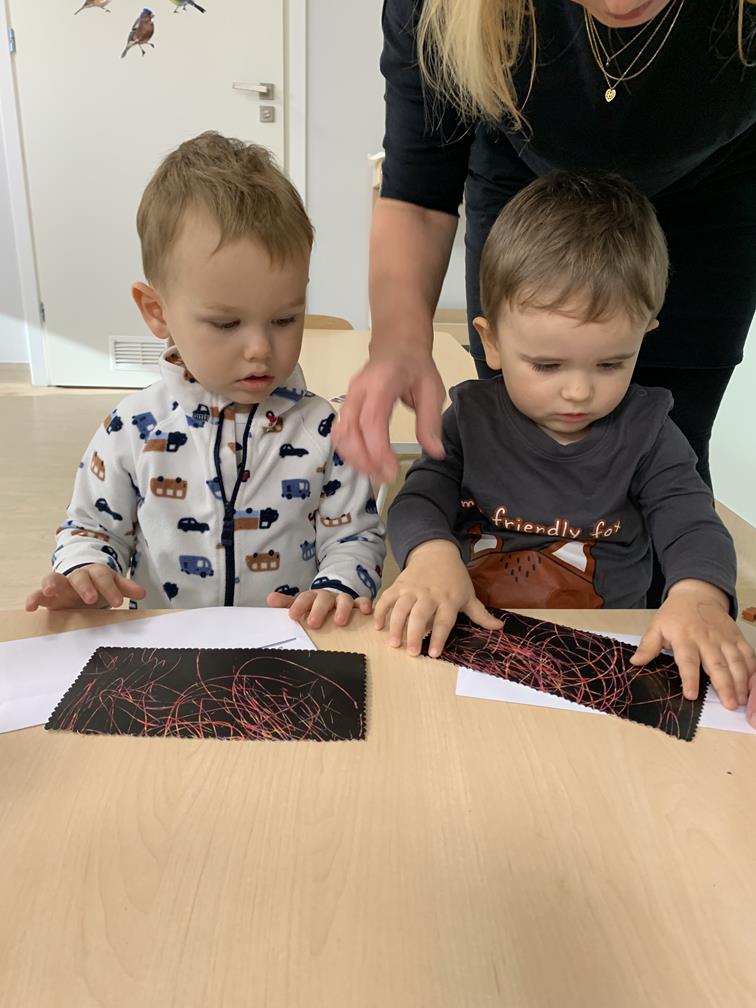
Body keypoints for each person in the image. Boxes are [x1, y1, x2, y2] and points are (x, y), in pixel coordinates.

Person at [376, 172, 756, 725]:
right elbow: (418, 497)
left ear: (644, 337)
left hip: (604, 658)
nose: (578, 391)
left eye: (611, 363)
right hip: (470, 644)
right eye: (547, 365)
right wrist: (430, 554)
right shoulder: (471, 419)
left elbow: (691, 521)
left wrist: (698, 596)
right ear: (491, 342)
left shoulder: (649, 432)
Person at [334, 0, 756, 494]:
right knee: (515, 452)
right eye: (548, 365)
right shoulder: (440, 12)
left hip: (711, 200)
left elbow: (683, 504)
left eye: (610, 362)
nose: (622, 4)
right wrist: (398, 341)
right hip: (523, 196)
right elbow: (419, 193)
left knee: (671, 453)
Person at [25, 132, 385, 628]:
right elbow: (91, 528)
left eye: (284, 319)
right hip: (166, 646)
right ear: (157, 311)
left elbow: (354, 537)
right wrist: (85, 571)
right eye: (226, 323)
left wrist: (339, 587)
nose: (260, 348)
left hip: (288, 642)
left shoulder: (327, 430)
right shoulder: (131, 428)